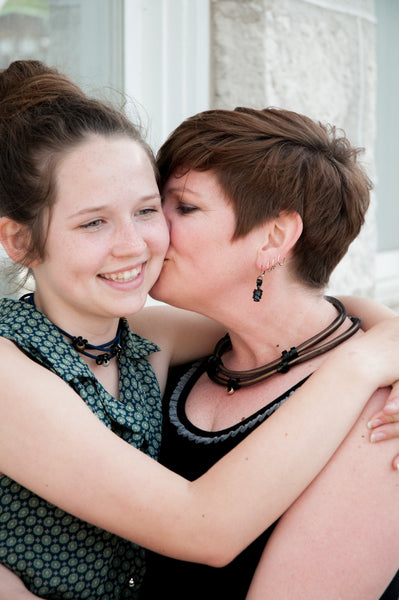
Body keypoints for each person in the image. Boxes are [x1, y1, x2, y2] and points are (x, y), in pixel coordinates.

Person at [0, 60, 399, 600]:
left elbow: (318, 316)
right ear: (19, 241)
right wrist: (365, 361)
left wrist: (385, 334)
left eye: (154, 209)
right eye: (93, 221)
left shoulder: (142, 337)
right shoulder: (23, 360)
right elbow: (203, 527)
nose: (141, 241)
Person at [137, 107, 399, 599]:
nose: (150, 229)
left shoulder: (384, 415)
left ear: (275, 237)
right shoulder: (172, 358)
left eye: (185, 207)